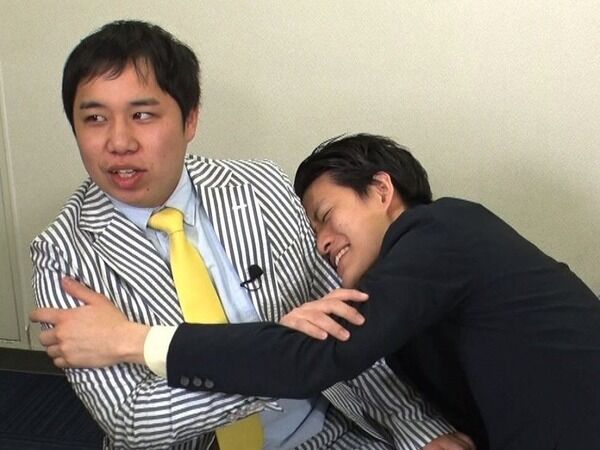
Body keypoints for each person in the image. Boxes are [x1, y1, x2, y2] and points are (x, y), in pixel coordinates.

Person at [29, 21, 468, 450]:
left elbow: (348, 324)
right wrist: (282, 360)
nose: (119, 142)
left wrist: (420, 430)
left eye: (142, 115)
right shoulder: (61, 254)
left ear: (190, 120)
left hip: (331, 431)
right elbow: (130, 419)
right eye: (95, 118)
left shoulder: (260, 186)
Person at [34, 133, 600, 449]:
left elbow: (318, 354)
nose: (322, 242)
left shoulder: (440, 232)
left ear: (381, 190)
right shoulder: (62, 251)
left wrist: (132, 340)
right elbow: (128, 418)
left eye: (327, 216)